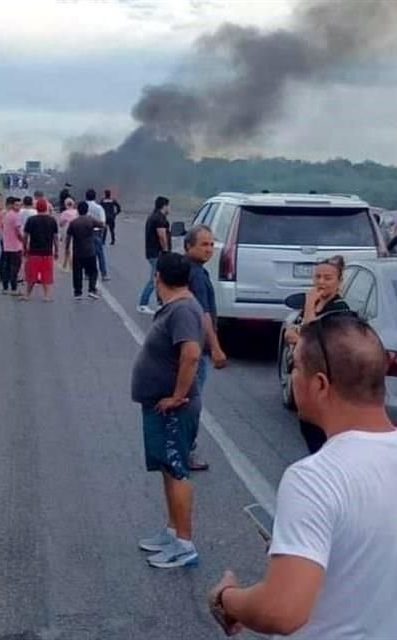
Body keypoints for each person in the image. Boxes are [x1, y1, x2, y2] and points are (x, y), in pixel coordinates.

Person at [208, 314, 397, 638]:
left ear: (319, 385)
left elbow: (281, 611)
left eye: (296, 367)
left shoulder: (313, 480)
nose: (292, 375)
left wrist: (227, 599)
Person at [131, 252, 204, 569]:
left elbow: (190, 354)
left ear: (157, 277)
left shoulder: (184, 309)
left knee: (176, 469)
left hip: (174, 408)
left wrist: (177, 396)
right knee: (167, 466)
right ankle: (173, 531)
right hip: (160, 405)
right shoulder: (177, 307)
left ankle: (185, 544)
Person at [282, 256, 349, 454]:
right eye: (318, 277)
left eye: (327, 278)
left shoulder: (339, 310)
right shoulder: (315, 305)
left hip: (326, 379)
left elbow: (310, 334)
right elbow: (296, 330)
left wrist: (309, 305)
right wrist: (293, 333)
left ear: (339, 281)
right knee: (308, 427)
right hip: (305, 376)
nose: (321, 282)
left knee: (321, 436)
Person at [183, 225, 228, 472]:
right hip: (195, 345)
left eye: (211, 244)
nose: (209, 249)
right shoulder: (197, 275)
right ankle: (186, 451)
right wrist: (216, 347)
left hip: (184, 342)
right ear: (189, 246)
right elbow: (204, 314)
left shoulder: (187, 269)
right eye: (204, 244)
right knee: (192, 401)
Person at [64, 201, 105, 300]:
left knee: (77, 272)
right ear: (87, 210)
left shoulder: (74, 222)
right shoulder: (90, 220)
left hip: (77, 251)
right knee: (93, 271)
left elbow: (68, 237)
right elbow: (102, 225)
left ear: (78, 210)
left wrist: (67, 249)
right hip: (90, 251)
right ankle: (91, 289)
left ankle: (78, 292)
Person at [137, 196, 171, 315]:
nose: (169, 208)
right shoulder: (159, 219)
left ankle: (161, 303)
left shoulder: (154, 216)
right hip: (157, 253)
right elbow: (162, 236)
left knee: (159, 278)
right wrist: (166, 251)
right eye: (168, 206)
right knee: (154, 279)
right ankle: (143, 303)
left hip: (152, 252)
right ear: (164, 206)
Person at [22, 199, 59, 302]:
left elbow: (25, 236)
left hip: (34, 251)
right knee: (46, 274)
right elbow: (55, 237)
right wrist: (56, 250)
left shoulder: (31, 220)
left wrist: (24, 248)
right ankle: (46, 296)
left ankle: (27, 295)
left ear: (36, 208)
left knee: (31, 275)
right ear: (46, 208)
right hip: (47, 252)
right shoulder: (52, 220)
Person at [0, 197, 24, 295]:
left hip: (7, 245)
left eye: (20, 205)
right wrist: (23, 241)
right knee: (15, 268)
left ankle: (5, 288)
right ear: (12, 205)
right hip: (15, 246)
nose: (19, 207)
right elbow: (18, 231)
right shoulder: (15, 216)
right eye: (17, 205)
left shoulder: (7, 215)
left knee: (7, 267)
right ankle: (14, 288)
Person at [84, 189, 108, 281]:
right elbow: (103, 222)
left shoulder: (83, 206)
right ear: (95, 197)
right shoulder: (99, 208)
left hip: (85, 232)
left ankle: (87, 273)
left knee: (87, 253)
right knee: (100, 254)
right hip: (97, 232)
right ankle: (104, 274)